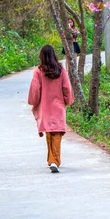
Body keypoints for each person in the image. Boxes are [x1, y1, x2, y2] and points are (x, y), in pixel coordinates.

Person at [28, 45, 74, 173]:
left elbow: (35, 89)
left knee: (50, 132)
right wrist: (68, 100)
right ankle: (54, 160)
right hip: (58, 106)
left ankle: (53, 160)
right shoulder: (61, 70)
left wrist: (34, 101)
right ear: (54, 55)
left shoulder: (38, 71)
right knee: (57, 133)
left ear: (41, 56)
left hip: (45, 107)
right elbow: (67, 87)